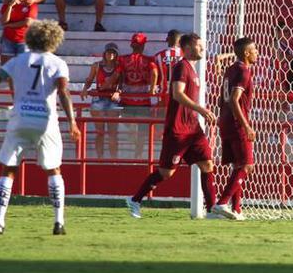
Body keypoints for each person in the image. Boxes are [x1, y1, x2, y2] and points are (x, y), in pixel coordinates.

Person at [0, 21, 79, 235]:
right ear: (54, 39)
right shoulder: (58, 63)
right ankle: (58, 222)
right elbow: (63, 93)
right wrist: (72, 121)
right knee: (54, 169)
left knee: (8, 169)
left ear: (30, 38)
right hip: (46, 121)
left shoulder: (18, 61)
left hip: (20, 119)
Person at [126, 33, 218, 218]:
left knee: (207, 164)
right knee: (166, 172)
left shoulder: (192, 69)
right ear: (189, 47)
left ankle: (212, 210)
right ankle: (135, 200)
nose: (202, 48)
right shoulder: (181, 67)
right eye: (199, 45)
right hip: (178, 128)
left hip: (193, 129)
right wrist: (201, 109)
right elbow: (177, 93)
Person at [210, 36, 257, 220]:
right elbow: (234, 100)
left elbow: (225, 98)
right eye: (254, 50)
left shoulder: (230, 69)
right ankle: (222, 203)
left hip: (225, 121)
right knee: (246, 165)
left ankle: (236, 209)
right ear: (246, 53)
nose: (257, 53)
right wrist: (246, 126)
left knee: (238, 165)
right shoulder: (244, 72)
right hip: (237, 123)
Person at [83, 42, 124, 160]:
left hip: (112, 99)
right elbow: (89, 79)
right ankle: (100, 158)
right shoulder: (96, 65)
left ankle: (113, 159)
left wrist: (118, 92)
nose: (110, 54)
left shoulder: (119, 67)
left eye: (113, 52)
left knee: (112, 133)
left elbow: (121, 83)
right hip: (99, 99)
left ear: (116, 55)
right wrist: (85, 89)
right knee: (100, 132)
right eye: (108, 52)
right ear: (104, 53)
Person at [0, 0, 36, 64]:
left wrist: (9, 25)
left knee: (23, 68)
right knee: (6, 68)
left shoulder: (31, 5)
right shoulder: (7, 4)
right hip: (8, 38)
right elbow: (3, 21)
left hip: (24, 40)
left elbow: (27, 22)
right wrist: (10, 6)